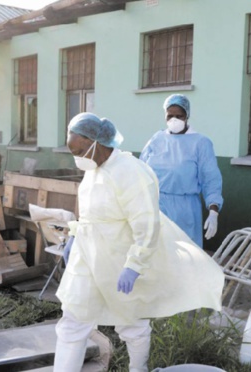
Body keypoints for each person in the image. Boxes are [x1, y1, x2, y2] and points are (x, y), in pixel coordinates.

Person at [54, 113, 224, 372]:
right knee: (73, 320)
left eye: (78, 151)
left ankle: (138, 369)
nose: (76, 158)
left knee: (130, 321)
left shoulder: (131, 172)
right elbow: (92, 213)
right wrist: (76, 235)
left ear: (96, 143)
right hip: (88, 258)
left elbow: (147, 224)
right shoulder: (93, 170)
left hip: (119, 259)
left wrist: (134, 265)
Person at [140, 94, 223, 248]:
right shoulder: (156, 139)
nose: (174, 120)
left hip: (185, 210)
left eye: (179, 116)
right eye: (170, 116)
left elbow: (210, 179)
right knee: (157, 255)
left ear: (187, 116)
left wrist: (213, 211)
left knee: (184, 256)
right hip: (156, 206)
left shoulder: (200, 143)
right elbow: (141, 172)